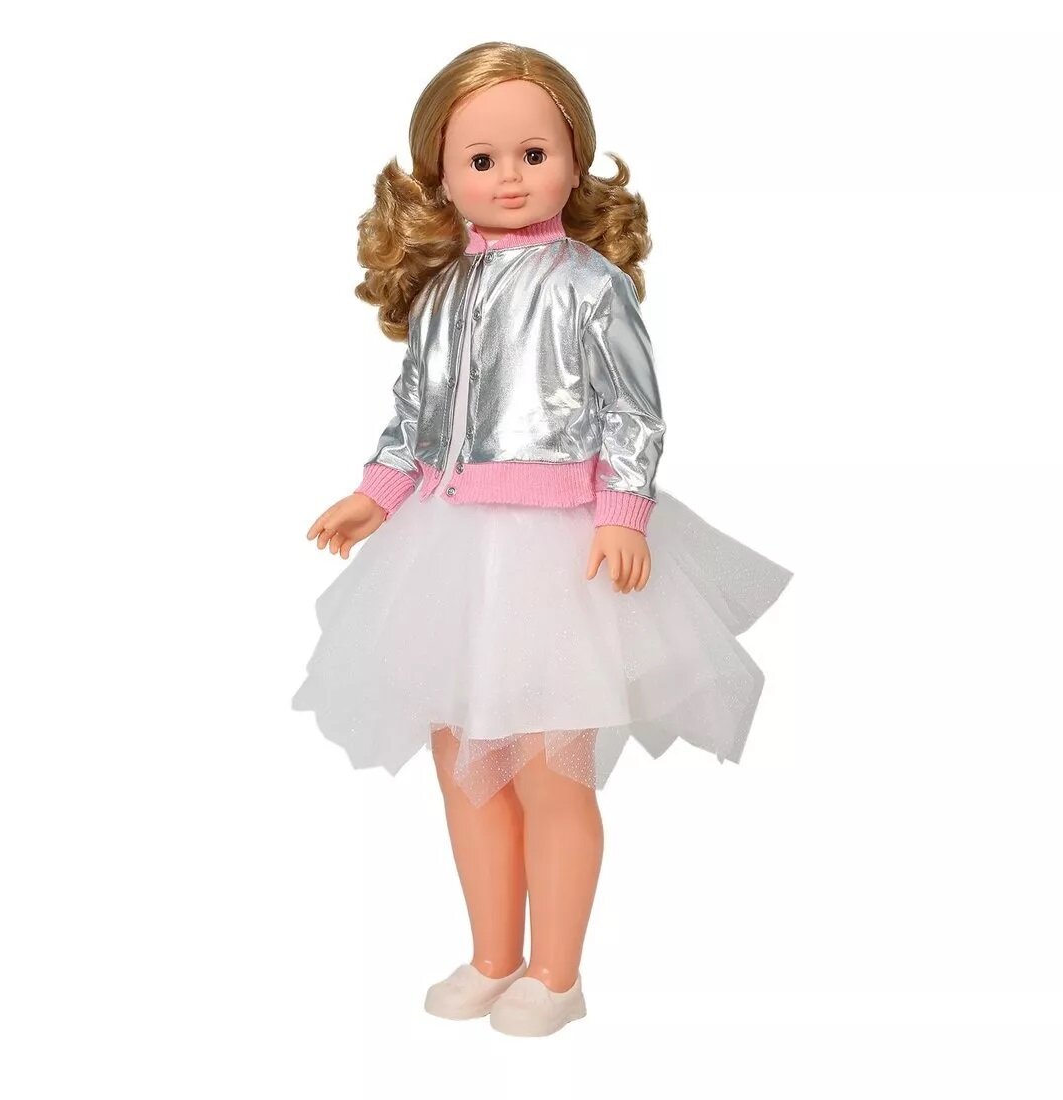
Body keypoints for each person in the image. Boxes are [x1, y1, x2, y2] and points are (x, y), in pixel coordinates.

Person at [291, 41, 793, 1037]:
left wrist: (622, 510)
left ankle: (555, 971)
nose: (510, 177)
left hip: (557, 548)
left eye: (534, 153)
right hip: (449, 547)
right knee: (460, 753)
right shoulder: (442, 290)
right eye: (482, 159)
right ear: (440, 174)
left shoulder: (587, 283)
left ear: (575, 156)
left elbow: (632, 410)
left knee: (547, 761)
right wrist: (376, 493)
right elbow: (415, 411)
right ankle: (492, 953)